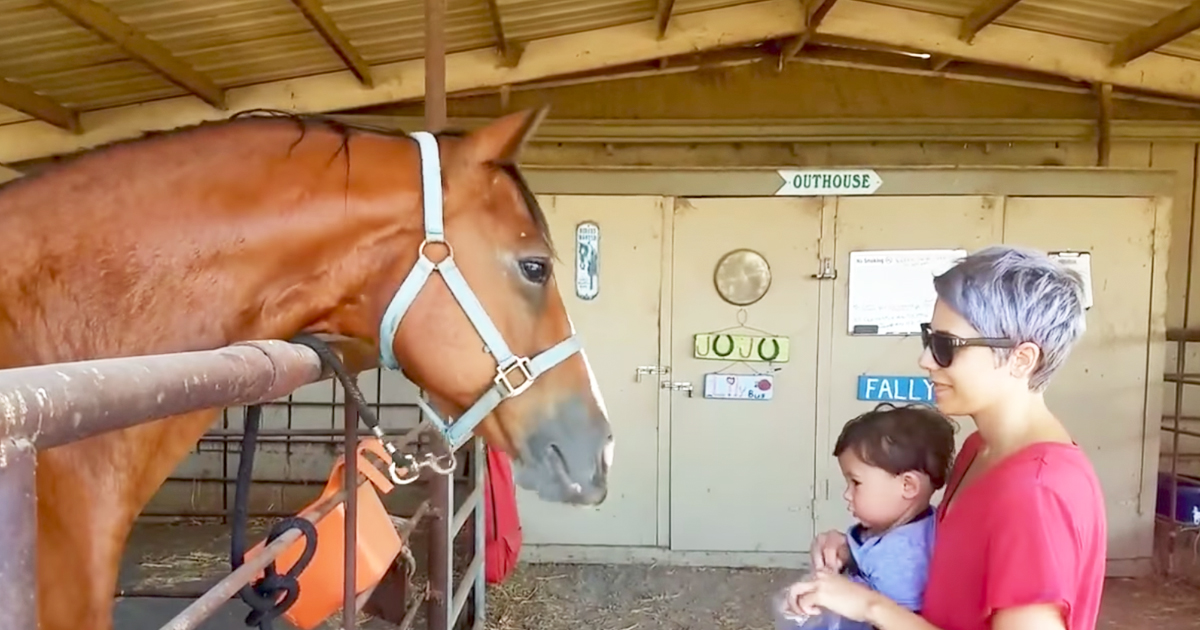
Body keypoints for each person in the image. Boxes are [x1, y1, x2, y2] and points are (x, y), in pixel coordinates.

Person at [787, 245, 1106, 630]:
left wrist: (871, 606)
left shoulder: (1035, 492)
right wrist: (859, 555)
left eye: (945, 346)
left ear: (1022, 359)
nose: (926, 360)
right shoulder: (980, 449)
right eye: (929, 340)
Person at [778, 402, 957, 630]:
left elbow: (895, 621)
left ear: (908, 486)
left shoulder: (904, 558)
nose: (847, 494)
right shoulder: (894, 528)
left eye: (856, 483)